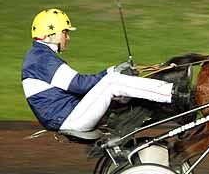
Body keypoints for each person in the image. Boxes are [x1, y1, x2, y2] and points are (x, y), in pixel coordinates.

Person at [21, 8, 175, 132]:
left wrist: (112, 70)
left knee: (111, 80)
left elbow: (80, 84)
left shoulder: (39, 56)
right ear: (49, 34)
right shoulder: (41, 59)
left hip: (66, 115)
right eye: (64, 32)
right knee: (112, 82)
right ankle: (173, 94)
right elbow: (79, 85)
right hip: (68, 118)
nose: (67, 38)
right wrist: (113, 73)